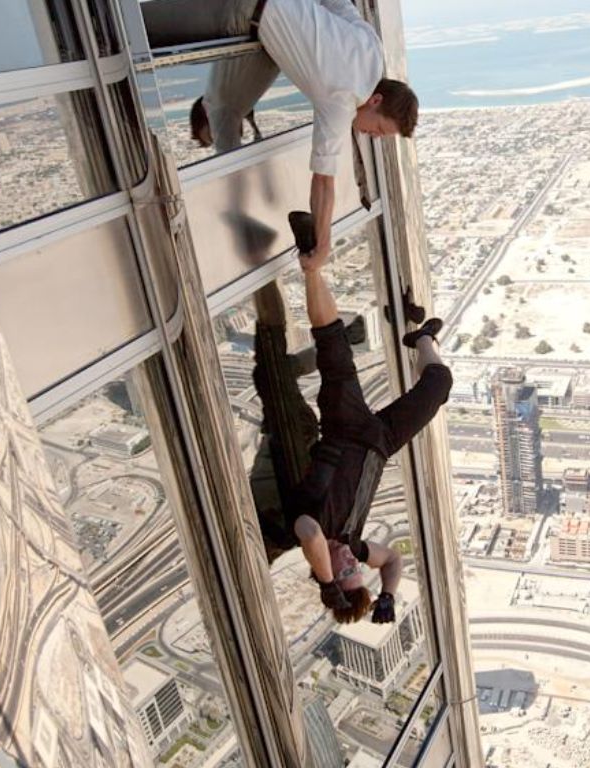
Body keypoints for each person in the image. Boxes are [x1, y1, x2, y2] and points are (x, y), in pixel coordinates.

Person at [247, 212, 448, 624]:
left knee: (333, 346)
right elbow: (391, 560)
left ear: (328, 573)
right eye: (357, 571)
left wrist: (328, 583)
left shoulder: (309, 527)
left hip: (345, 429)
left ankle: (311, 268)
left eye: (346, 572)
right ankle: (423, 338)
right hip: (382, 441)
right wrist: (386, 595)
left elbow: (311, 538)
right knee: (439, 386)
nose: (353, 564)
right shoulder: (353, 546)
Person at [143, 0, 418, 262]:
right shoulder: (342, 102)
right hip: (243, 9)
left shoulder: (372, 48)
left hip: (255, 13)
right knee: (138, 29)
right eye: (380, 129)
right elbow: (324, 183)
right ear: (376, 100)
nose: (375, 136)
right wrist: (323, 247)